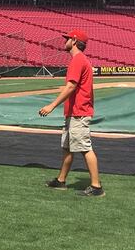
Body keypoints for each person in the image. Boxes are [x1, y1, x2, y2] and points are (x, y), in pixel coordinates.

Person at [39, 30, 104, 197]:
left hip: (79, 112)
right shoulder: (80, 60)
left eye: (67, 39)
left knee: (84, 148)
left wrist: (52, 105)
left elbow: (70, 86)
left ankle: (96, 187)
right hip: (74, 112)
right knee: (67, 148)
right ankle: (61, 181)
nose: (65, 41)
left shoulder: (77, 60)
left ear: (74, 41)